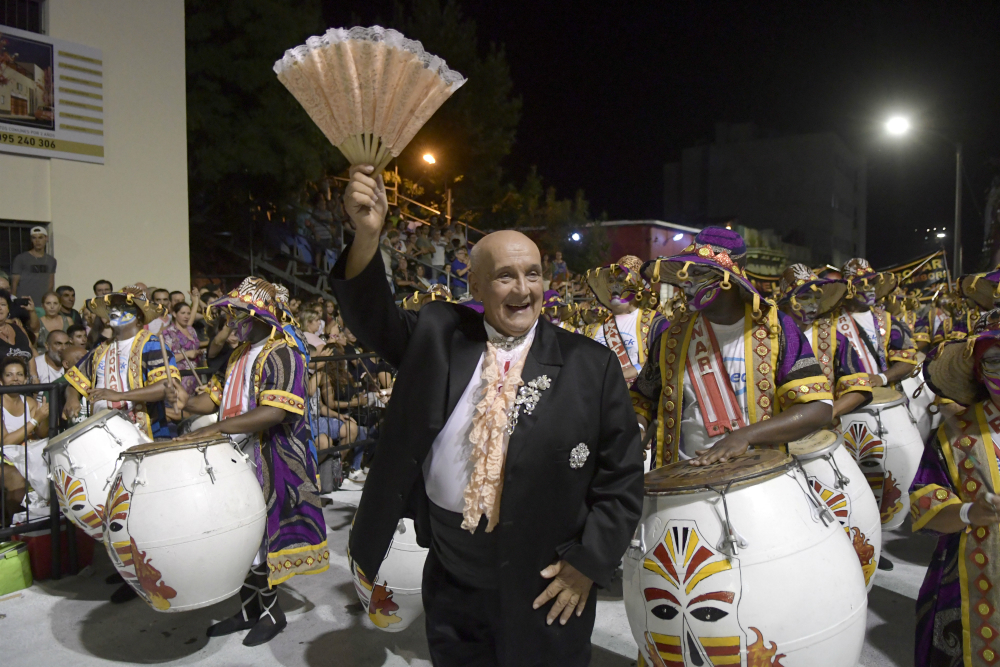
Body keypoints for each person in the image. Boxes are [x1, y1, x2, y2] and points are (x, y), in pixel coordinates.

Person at [331, 165, 642, 666]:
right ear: (474, 284)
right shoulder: (438, 333)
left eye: (533, 273)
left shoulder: (592, 364)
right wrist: (367, 236)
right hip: (454, 577)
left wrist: (587, 563)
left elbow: (622, 479)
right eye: (504, 275)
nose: (523, 288)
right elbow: (372, 318)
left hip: (548, 582)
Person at [180, 277, 328, 647]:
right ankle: (248, 609)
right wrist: (183, 399)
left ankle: (271, 613)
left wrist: (216, 429)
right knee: (240, 532)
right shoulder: (238, 354)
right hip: (237, 455)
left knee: (260, 537)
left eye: (241, 313)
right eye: (231, 314)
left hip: (270, 458)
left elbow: (275, 411)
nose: (233, 320)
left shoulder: (283, 352)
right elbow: (214, 398)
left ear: (265, 316)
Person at [630, 227, 833, 468]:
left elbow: (818, 408)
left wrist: (745, 436)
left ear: (727, 280)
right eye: (686, 273)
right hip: (678, 481)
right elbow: (641, 398)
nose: (686, 284)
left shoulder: (777, 329)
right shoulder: (671, 336)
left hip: (756, 481)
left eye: (697, 272)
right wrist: (638, 428)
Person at [910, 308, 1000, 667]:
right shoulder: (955, 433)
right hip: (973, 582)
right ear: (978, 370)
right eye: (995, 361)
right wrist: (969, 512)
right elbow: (926, 502)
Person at [63, 286, 182, 443]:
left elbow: (166, 387)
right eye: (112, 307)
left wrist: (119, 396)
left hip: (145, 436)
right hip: (103, 435)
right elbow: (74, 382)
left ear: (139, 316)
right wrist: (71, 399)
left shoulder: (152, 344)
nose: (114, 310)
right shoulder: (100, 349)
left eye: (123, 307)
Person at [776, 264, 874, 420]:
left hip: (824, 434)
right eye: (806, 297)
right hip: (778, 434)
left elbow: (860, 388)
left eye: (816, 297)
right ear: (789, 301)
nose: (814, 303)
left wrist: (828, 413)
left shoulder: (834, 338)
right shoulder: (770, 335)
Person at [583, 255, 666, 382]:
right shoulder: (593, 328)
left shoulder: (656, 322)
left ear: (637, 286)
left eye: (622, 280)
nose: (614, 286)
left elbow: (665, 360)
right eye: (611, 281)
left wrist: (629, 371)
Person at [160, 302, 203, 395]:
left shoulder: (191, 330)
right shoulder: (168, 332)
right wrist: (187, 354)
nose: (186, 316)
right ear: (175, 314)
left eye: (188, 313)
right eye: (183, 313)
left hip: (196, 374)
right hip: (181, 376)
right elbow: (166, 358)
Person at [11, 226, 56, 306]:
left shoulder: (51, 260)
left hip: (42, 304)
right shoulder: (21, 258)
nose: (37, 241)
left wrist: (49, 300)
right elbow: (15, 282)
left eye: (40, 237)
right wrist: (13, 299)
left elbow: (51, 283)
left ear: (46, 238)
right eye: (34, 238)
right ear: (31, 240)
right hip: (24, 302)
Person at [0, 291, 36, 362]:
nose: (0, 308)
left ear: (8, 309)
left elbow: (31, 355)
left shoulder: (18, 328)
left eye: (3, 304)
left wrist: (34, 373)